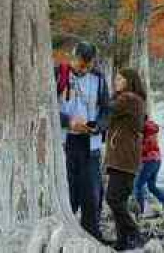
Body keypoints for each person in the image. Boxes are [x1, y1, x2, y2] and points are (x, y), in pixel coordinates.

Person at [56, 42, 109, 241]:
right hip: (65, 142)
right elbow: (47, 106)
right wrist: (68, 121)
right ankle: (63, 236)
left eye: (88, 64)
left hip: (90, 145)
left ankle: (92, 236)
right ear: (73, 56)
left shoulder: (99, 80)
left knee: (92, 194)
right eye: (81, 63)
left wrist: (98, 125)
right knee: (68, 192)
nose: (84, 68)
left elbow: (106, 110)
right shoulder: (58, 74)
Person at [105, 68, 146, 251]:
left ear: (129, 81)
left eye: (120, 78)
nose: (116, 81)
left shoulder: (128, 99)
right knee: (119, 200)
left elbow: (107, 107)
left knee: (112, 198)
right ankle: (122, 242)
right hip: (126, 159)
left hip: (123, 159)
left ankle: (134, 233)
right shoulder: (134, 100)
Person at [134, 116, 164, 218]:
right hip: (157, 160)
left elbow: (145, 147)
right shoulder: (152, 127)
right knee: (151, 186)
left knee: (138, 186)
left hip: (148, 161)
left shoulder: (143, 129)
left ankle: (141, 212)